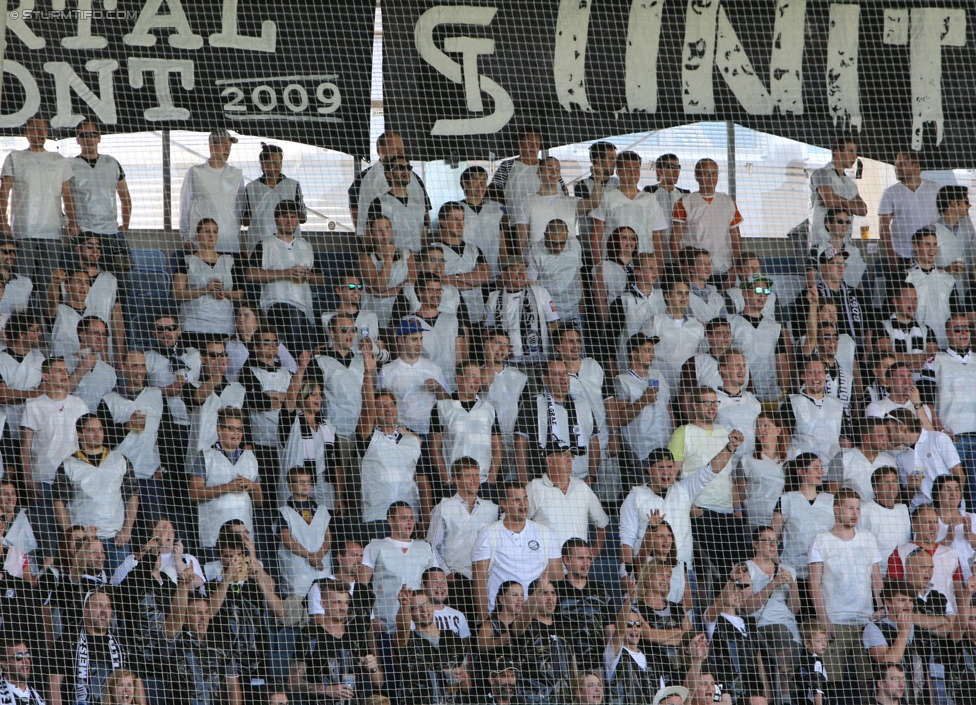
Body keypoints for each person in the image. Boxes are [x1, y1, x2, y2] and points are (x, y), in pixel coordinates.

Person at [618, 440, 739, 591]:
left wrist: (730, 447)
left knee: (685, 614)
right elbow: (627, 538)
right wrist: (625, 573)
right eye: (660, 468)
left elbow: (710, 471)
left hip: (682, 571)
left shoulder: (684, 489)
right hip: (648, 571)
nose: (666, 473)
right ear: (649, 470)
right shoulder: (635, 496)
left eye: (670, 467)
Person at [808, 488, 883, 697]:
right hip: (835, 620)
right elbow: (813, 583)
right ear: (836, 509)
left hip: (866, 621)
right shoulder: (821, 540)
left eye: (858, 508)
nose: (855, 513)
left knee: (867, 682)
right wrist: (824, 619)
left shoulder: (868, 538)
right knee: (833, 682)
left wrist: (882, 609)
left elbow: (876, 578)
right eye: (850, 507)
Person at [671, 386, 749, 585]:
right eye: (706, 402)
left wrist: (737, 507)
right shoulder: (683, 432)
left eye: (715, 402)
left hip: (727, 513)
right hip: (701, 513)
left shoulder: (724, 432)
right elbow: (672, 474)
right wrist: (690, 506)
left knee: (734, 572)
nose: (712, 407)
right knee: (709, 572)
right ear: (695, 405)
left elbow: (729, 475)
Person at [19, 357, 89, 559]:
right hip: (44, 479)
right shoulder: (34, 405)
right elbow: (25, 446)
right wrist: (27, 478)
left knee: (73, 535)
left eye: (65, 370)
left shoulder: (79, 404)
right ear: (46, 376)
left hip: (74, 480)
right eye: (58, 370)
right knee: (48, 535)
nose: (64, 374)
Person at [52, 414, 139, 573]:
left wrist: (127, 530)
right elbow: (59, 502)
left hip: (116, 538)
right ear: (80, 434)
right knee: (86, 584)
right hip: (84, 540)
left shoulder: (119, 459)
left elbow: (132, 496)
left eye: (99, 429)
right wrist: (71, 536)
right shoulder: (68, 464)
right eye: (91, 430)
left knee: (122, 585)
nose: (97, 433)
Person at [208, 528, 285, 703]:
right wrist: (227, 579)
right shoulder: (213, 585)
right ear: (220, 557)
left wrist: (259, 579)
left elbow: (280, 610)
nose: (234, 561)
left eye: (238, 555)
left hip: (256, 657)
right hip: (224, 659)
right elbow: (210, 612)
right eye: (228, 556)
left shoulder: (255, 583)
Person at [471, 482, 561, 622]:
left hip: (536, 616)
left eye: (525, 499)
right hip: (502, 617)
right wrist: (484, 620)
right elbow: (479, 580)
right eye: (516, 500)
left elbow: (557, 577)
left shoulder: (545, 533)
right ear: (504, 504)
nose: (523, 504)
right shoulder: (488, 534)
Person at [0, 116, 74, 285]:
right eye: (35, 128)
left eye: (44, 129)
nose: (40, 132)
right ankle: (19, 311)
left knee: (50, 280)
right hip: (24, 229)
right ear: (26, 133)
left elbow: (67, 194)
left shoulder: (59, 160)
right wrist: (3, 221)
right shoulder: (15, 157)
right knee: (22, 279)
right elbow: (4, 191)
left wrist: (72, 221)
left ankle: (48, 312)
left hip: (52, 230)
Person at [246, 200, 325, 353]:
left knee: (306, 347)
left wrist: (308, 275)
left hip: (304, 306)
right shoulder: (265, 244)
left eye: (293, 216)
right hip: (275, 305)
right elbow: (250, 274)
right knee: (291, 321)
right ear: (276, 219)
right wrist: (285, 273)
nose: (289, 221)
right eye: (285, 216)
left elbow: (321, 279)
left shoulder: (306, 246)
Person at [294, 578, 382, 703]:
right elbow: (293, 683)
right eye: (337, 602)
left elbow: (378, 682)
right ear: (323, 603)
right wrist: (327, 689)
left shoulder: (356, 635)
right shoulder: (309, 635)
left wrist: (372, 668)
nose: (342, 608)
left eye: (346, 603)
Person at [514, 358, 599, 484]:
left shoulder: (583, 403)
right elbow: (520, 445)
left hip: (581, 481)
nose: (563, 378)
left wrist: (591, 476)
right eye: (556, 374)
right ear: (545, 379)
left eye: (565, 373)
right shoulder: (532, 404)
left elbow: (594, 440)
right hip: (544, 481)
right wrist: (524, 481)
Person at [361, 502, 442, 634]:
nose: (409, 522)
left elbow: (435, 585)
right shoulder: (374, 547)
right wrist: (371, 617)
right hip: (385, 624)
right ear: (390, 521)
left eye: (411, 518)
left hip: (421, 624)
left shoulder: (426, 548)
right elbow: (361, 586)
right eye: (404, 518)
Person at [743, 526, 801, 705]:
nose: (772, 544)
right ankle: (784, 695)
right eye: (766, 540)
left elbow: (795, 609)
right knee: (781, 631)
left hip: (789, 625)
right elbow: (747, 608)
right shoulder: (746, 568)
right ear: (755, 544)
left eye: (774, 540)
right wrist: (772, 584)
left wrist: (792, 585)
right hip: (762, 624)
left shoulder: (787, 569)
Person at [189, 408, 261, 550]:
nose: (236, 434)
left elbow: (259, 501)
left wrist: (252, 485)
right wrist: (229, 487)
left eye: (239, 429)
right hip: (213, 536)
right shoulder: (205, 456)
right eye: (231, 429)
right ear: (219, 430)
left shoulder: (250, 457)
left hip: (244, 537)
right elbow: (193, 494)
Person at [430, 361, 501, 503]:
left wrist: (491, 479)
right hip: (455, 483)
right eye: (472, 376)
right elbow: (434, 447)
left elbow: (497, 447)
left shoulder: (489, 408)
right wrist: (446, 479)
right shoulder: (442, 407)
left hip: (483, 483)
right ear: (459, 378)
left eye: (479, 378)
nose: (476, 381)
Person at [278, 353, 338, 511]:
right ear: (302, 397)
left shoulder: (329, 427)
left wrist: (339, 496)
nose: (318, 399)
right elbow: (289, 399)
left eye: (320, 395)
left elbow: (336, 464)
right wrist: (302, 368)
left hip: (326, 493)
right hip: (296, 493)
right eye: (312, 395)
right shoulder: (292, 421)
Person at [612, 333, 671, 490]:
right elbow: (620, 418)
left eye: (652, 350)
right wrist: (643, 401)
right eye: (646, 350)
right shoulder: (621, 380)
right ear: (633, 352)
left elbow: (668, 409)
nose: (651, 355)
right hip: (641, 452)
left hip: (666, 448)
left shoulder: (659, 376)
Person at [394, 586, 471, 705]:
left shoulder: (453, 638)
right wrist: (404, 604)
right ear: (410, 613)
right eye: (417, 607)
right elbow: (402, 627)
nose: (424, 609)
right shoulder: (407, 639)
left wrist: (464, 677)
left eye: (427, 604)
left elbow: (467, 688)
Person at [772, 454, 834, 602]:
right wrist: (779, 566)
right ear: (801, 471)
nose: (821, 472)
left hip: (824, 575)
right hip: (794, 573)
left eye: (821, 468)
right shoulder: (786, 499)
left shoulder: (831, 500)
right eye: (816, 468)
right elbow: (772, 537)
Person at [49, 591, 129, 705]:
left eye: (108, 606)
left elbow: (137, 686)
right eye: (98, 605)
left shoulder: (123, 644)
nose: (104, 611)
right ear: (85, 612)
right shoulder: (66, 642)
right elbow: (54, 687)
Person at [526, 445, 609, 552]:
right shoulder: (534, 487)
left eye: (570, 455)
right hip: (545, 563)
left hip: (577, 565)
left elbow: (602, 523)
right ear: (550, 461)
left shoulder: (582, 487)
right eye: (563, 455)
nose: (569, 458)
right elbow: (513, 522)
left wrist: (593, 552)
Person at [591, 150, 668, 262]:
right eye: (628, 169)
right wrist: (598, 268)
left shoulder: (651, 199)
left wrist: (659, 270)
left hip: (643, 264)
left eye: (637, 169)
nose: (633, 173)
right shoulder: (606, 197)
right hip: (613, 263)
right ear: (619, 172)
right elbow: (595, 236)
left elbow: (657, 240)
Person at [164, 595, 241, 705]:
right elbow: (175, 618)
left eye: (206, 612)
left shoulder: (222, 643)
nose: (203, 618)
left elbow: (232, 684)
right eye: (197, 613)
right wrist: (184, 585)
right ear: (185, 618)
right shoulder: (174, 641)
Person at [671, 159, 743, 277]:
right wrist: (682, 267)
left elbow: (736, 239)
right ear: (696, 176)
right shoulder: (684, 202)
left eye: (715, 173)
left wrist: (734, 269)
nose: (711, 178)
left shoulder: (728, 201)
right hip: (694, 272)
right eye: (706, 173)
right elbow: (674, 240)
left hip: (723, 269)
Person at [378, 317, 449, 437]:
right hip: (402, 433)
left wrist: (438, 388)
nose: (419, 343)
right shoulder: (387, 371)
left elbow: (448, 404)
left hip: (432, 434)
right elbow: (379, 406)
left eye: (421, 339)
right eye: (414, 339)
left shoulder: (434, 368)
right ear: (400, 340)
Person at [484, 255, 560, 365]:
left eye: (523, 269)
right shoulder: (493, 297)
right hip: (507, 361)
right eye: (515, 269)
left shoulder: (541, 292)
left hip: (539, 359)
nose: (521, 273)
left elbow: (554, 325)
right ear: (505, 275)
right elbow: (488, 331)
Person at [349, 131, 428, 238]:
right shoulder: (365, 179)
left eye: (401, 148)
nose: (400, 151)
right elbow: (355, 210)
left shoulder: (414, 178)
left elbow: (425, 210)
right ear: (382, 151)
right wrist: (365, 239)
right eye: (395, 148)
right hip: (380, 243)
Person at [172, 218, 243, 335]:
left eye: (215, 232)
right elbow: (177, 293)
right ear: (197, 235)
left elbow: (240, 293)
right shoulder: (187, 261)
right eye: (207, 232)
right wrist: (205, 290)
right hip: (194, 323)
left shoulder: (229, 261)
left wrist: (225, 293)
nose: (211, 236)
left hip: (223, 323)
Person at [180, 129, 244, 254]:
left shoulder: (236, 174)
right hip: (201, 242)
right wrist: (186, 236)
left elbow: (239, 208)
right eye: (223, 144)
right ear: (211, 146)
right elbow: (185, 204)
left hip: (229, 239)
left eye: (229, 146)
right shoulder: (195, 172)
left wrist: (236, 233)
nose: (227, 149)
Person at [729, 274, 792, 404]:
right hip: (742, 394)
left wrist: (784, 391)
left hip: (772, 394)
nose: (762, 295)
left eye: (766, 291)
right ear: (745, 293)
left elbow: (781, 361)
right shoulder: (732, 323)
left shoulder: (775, 327)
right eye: (758, 290)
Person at [511, 577, 573, 705]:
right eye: (544, 593)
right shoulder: (525, 626)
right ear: (533, 597)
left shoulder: (564, 628)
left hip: (563, 699)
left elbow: (572, 666)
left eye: (553, 593)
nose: (550, 597)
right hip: (532, 699)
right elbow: (523, 618)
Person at [934, 316, 976, 504]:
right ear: (948, 334)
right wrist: (939, 428)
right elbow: (925, 399)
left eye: (966, 329)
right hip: (953, 437)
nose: (964, 333)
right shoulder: (936, 360)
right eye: (958, 329)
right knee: (952, 493)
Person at [888, 407, 963, 507]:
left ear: (901, 427)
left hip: (949, 510)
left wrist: (954, 507)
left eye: (889, 430)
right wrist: (909, 487)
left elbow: (960, 475)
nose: (887, 436)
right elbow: (905, 497)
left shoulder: (938, 438)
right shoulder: (900, 458)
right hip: (921, 515)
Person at [878, 150, 940, 270]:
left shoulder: (935, 189)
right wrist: (892, 256)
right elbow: (883, 226)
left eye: (902, 164)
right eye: (896, 164)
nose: (897, 168)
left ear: (915, 166)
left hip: (930, 256)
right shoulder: (890, 192)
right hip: (901, 255)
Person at [431, 201, 490, 324]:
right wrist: (472, 282)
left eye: (462, 219)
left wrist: (453, 277)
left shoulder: (474, 249)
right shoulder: (433, 250)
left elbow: (484, 276)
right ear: (443, 221)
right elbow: (436, 281)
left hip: (476, 315)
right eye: (455, 219)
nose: (460, 224)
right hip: (448, 315)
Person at [242, 143, 307, 254]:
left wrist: (291, 212)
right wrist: (259, 211)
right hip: (259, 244)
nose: (277, 166)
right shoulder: (251, 188)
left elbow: (303, 218)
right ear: (262, 165)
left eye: (279, 162)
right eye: (272, 162)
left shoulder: (293, 185)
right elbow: (245, 221)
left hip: (288, 245)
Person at [642, 275, 705, 391]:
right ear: (667, 296)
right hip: (660, 387)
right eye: (679, 293)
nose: (684, 297)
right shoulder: (655, 322)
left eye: (686, 293)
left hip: (688, 389)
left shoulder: (697, 326)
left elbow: (702, 358)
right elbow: (642, 354)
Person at [277, 466, 331, 598]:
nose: (305, 485)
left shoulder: (321, 510)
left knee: (323, 601)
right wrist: (310, 556)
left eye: (308, 482)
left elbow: (328, 538)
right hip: (297, 570)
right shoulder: (284, 512)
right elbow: (287, 539)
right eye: (300, 482)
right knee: (297, 606)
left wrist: (319, 556)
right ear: (290, 486)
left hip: (321, 567)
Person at [783, 357, 847, 468]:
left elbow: (845, 439)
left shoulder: (838, 404)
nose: (816, 376)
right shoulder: (792, 402)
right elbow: (783, 439)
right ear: (803, 376)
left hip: (832, 471)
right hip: (802, 470)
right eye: (811, 372)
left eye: (820, 372)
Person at [481, 329, 528, 477]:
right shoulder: (476, 374)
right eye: (497, 343)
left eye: (506, 346)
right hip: (486, 440)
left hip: (512, 440)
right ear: (486, 345)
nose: (501, 349)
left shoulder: (520, 377)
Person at [604, 586, 661, 705]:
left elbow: (662, 695)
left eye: (638, 624)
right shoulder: (614, 655)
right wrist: (628, 601)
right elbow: (619, 629)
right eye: (629, 624)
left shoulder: (652, 659)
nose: (634, 628)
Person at [904, 226, 958, 348]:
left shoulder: (948, 279)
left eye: (934, 245)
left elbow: (955, 312)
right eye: (927, 244)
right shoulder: (907, 277)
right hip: (916, 344)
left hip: (946, 344)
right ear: (916, 247)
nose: (932, 249)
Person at [808, 135, 867, 248]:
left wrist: (837, 198)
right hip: (822, 243)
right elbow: (830, 201)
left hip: (845, 244)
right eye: (850, 151)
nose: (854, 156)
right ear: (837, 152)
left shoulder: (850, 183)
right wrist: (850, 205)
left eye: (855, 152)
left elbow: (863, 210)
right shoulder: (822, 173)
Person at [365, 155, 431, 254]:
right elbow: (369, 238)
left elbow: (423, 237)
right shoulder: (379, 203)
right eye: (400, 167)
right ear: (388, 174)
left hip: (417, 262)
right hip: (392, 262)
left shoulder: (418, 204)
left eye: (408, 167)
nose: (405, 171)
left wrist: (425, 256)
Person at [857, 466, 912, 575]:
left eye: (894, 481)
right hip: (876, 575)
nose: (891, 486)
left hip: (902, 575)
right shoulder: (864, 510)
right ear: (875, 488)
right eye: (886, 482)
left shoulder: (904, 510)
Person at [738, 412, 789, 528]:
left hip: (784, 520)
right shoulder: (746, 459)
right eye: (758, 427)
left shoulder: (792, 457)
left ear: (778, 430)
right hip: (755, 519)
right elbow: (739, 490)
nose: (761, 430)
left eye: (766, 426)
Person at [528, 219, 584, 323]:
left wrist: (583, 302)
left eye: (562, 243)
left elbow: (578, 274)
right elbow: (531, 284)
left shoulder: (575, 245)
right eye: (553, 244)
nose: (558, 248)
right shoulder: (534, 251)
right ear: (545, 236)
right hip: (550, 311)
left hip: (574, 308)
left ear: (567, 235)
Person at [460, 165, 506, 280]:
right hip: (466, 273)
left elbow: (502, 243)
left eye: (484, 180)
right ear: (465, 184)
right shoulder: (456, 209)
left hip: (493, 271)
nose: (481, 184)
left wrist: (505, 269)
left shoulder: (496, 210)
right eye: (475, 180)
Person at [714, 351, 762, 461]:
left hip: (752, 464)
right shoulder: (713, 400)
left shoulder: (753, 400)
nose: (742, 370)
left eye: (744, 365)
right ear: (724, 369)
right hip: (724, 464)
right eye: (737, 365)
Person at [840, 418, 897, 502]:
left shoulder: (890, 461)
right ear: (866, 438)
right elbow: (833, 493)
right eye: (881, 435)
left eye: (887, 435)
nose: (886, 439)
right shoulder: (844, 458)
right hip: (854, 512)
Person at [932, 185, 974, 298]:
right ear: (954, 203)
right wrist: (945, 269)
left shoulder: (968, 233)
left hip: (963, 296)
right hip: (937, 296)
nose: (969, 205)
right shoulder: (931, 232)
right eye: (966, 202)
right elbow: (917, 266)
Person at [932, 475, 976, 577]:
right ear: (937, 495)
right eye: (948, 490)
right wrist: (947, 539)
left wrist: (969, 535)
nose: (953, 494)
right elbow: (923, 552)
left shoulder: (973, 518)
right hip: (945, 579)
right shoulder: (929, 521)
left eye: (956, 490)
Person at [681, 247, 727, 323]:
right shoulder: (684, 295)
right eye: (702, 263)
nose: (707, 267)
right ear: (691, 268)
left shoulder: (717, 296)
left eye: (709, 263)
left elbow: (724, 322)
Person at [792, 622, 828, 705]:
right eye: (819, 641)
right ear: (807, 643)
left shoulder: (802, 660)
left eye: (825, 639)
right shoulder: (816, 661)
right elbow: (817, 687)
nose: (824, 644)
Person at [0, 641, 46, 705]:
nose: (26, 661)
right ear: (5, 664)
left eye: (27, 655)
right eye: (19, 656)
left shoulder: (40, 694)